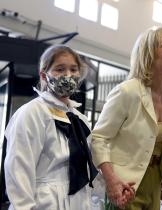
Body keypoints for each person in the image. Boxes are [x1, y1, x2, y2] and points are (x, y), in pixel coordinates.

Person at [91, 27, 162, 210]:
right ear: (148, 54)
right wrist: (112, 181)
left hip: (155, 183)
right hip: (125, 186)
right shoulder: (127, 91)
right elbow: (98, 138)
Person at [4, 44, 98, 210]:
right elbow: (18, 169)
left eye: (73, 69)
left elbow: (88, 165)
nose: (68, 75)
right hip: (45, 202)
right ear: (44, 75)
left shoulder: (80, 119)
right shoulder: (31, 113)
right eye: (60, 69)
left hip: (79, 201)